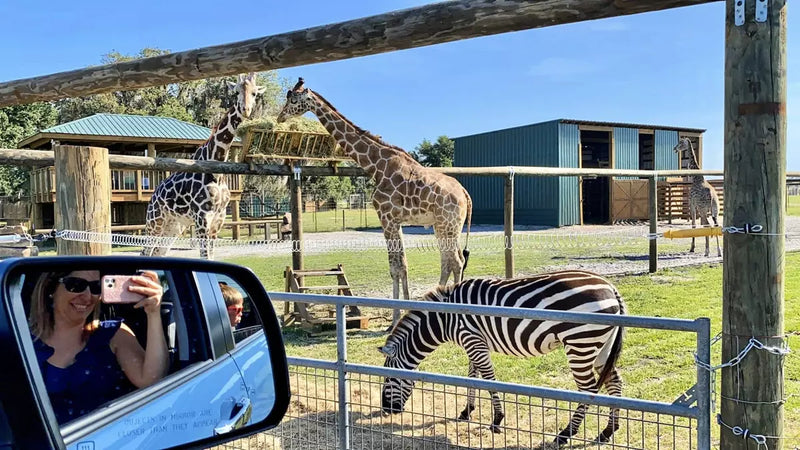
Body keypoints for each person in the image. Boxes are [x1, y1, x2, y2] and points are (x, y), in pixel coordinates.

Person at [28, 270, 169, 424]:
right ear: (50, 289)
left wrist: (153, 313)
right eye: (76, 285)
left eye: (96, 287)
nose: (88, 296)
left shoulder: (113, 334)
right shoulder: (21, 341)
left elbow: (151, 381)